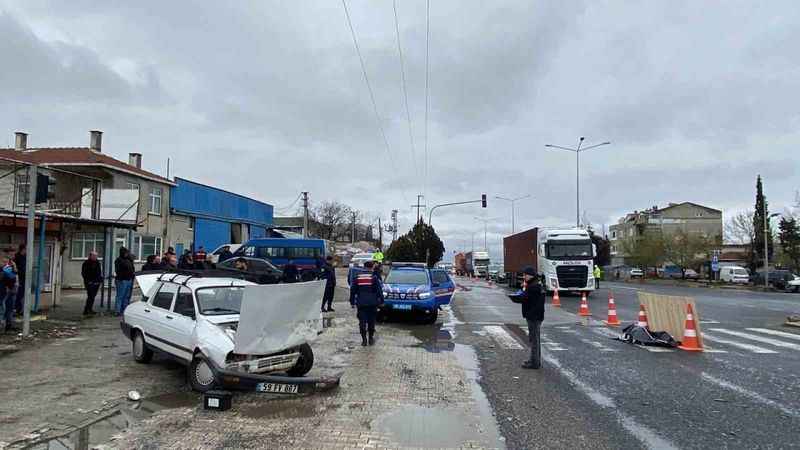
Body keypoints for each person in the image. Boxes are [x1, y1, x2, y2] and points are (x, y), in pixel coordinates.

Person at [349, 261, 383, 346]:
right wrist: (382, 301)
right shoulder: (374, 278)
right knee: (371, 322)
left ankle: (364, 340)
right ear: (372, 268)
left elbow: (352, 291)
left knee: (362, 322)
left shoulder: (357, 278)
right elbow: (379, 291)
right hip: (372, 304)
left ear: (364, 267)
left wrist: (352, 302)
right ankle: (370, 339)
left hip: (361, 304)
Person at [519, 267, 545, 369]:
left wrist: (521, 292)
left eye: (525, 275)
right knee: (535, 339)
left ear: (531, 275)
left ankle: (534, 363)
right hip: (537, 315)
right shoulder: (537, 285)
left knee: (534, 340)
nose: (523, 276)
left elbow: (524, 298)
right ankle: (535, 361)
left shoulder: (533, 287)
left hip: (533, 316)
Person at [114, 247, 135, 315]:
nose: (127, 254)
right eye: (126, 253)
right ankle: (117, 311)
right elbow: (118, 271)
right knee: (120, 296)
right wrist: (123, 276)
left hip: (128, 279)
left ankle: (124, 310)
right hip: (122, 280)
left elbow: (132, 268)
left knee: (126, 296)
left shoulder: (128, 260)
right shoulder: (118, 260)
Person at [81, 251, 103, 316]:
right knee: (90, 296)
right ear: (90, 256)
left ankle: (89, 309)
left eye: (96, 256)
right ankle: (86, 310)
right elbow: (84, 273)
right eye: (94, 256)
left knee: (92, 296)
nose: (95, 257)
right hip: (89, 283)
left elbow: (99, 272)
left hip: (96, 282)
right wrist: (89, 281)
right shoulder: (86, 263)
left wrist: (99, 280)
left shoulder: (97, 263)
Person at [1, 256, 18, 332]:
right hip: (4, 291)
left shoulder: (9, 268)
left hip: (9, 290)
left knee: (9, 308)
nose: (5, 263)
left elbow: (13, 277)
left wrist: (14, 267)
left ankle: (8, 325)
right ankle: (3, 326)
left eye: (6, 261)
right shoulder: (4, 269)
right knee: (2, 309)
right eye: (3, 261)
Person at [13, 244, 25, 315]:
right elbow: (15, 269)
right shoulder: (17, 257)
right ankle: (16, 310)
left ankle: (19, 309)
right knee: (18, 295)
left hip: (23, 278)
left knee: (21, 295)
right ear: (22, 249)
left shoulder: (25, 257)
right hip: (18, 278)